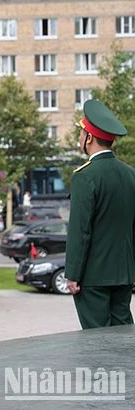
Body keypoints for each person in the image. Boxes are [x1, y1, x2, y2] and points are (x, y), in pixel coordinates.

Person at [66, 99, 135, 329]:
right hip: (124, 273)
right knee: (124, 339)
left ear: (89, 138)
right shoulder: (130, 174)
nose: (80, 137)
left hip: (93, 276)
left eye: (81, 132)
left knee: (97, 344)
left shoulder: (85, 176)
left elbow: (80, 230)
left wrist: (73, 274)